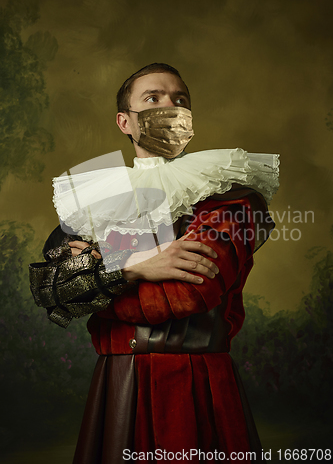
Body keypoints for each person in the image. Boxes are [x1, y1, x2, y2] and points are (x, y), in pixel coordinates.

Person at [30, 63, 279, 463]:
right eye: (153, 98)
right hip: (117, 384)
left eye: (180, 99)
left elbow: (185, 294)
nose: (170, 106)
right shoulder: (93, 200)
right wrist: (137, 266)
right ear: (124, 121)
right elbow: (52, 291)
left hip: (196, 383)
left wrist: (96, 275)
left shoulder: (229, 199)